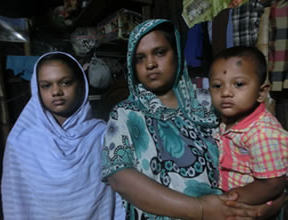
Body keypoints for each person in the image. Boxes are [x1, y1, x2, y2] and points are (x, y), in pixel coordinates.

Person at [101, 19, 276, 220]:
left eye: (159, 52)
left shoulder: (210, 99)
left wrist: (269, 205)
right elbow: (120, 178)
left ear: (176, 53)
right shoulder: (125, 114)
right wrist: (200, 209)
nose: (150, 64)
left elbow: (262, 143)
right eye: (140, 58)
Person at [1, 52, 125, 220]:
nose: (56, 91)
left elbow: (118, 193)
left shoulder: (101, 135)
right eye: (46, 85)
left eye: (65, 83)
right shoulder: (21, 141)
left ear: (81, 84)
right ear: (36, 90)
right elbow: (16, 200)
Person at [209, 46, 288, 216]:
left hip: (250, 205)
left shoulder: (262, 133)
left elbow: (273, 184)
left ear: (261, 92)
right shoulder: (222, 120)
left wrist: (231, 199)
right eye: (217, 85)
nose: (226, 93)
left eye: (238, 84)